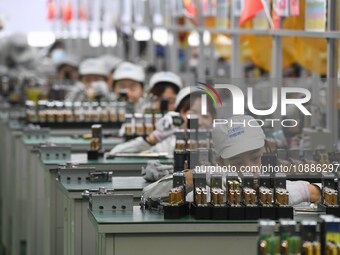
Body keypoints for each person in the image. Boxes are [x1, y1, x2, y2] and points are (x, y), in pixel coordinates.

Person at [109, 86, 216, 156]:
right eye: (191, 113)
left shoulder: (219, 144)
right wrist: (155, 138)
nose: (199, 121)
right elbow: (115, 153)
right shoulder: (167, 144)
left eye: (206, 116)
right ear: (178, 114)